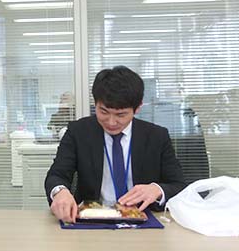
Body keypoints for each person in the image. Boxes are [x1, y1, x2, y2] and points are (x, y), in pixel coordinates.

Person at [45, 66, 186, 223]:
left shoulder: (156, 136)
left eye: (121, 115)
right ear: (95, 104)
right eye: (104, 112)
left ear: (138, 108)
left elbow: (179, 184)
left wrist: (157, 190)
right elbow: (56, 175)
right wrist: (60, 192)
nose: (111, 122)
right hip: (91, 219)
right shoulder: (78, 132)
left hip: (142, 218)